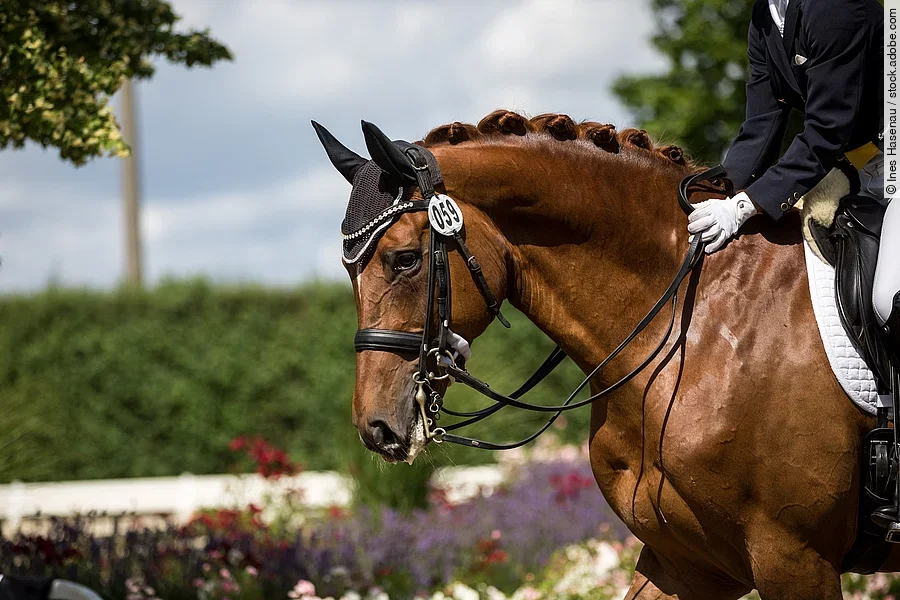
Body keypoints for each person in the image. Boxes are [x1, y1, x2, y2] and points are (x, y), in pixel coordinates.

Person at [686, 0, 898, 336]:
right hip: (859, 171)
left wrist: (743, 207)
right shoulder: (765, 15)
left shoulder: (837, 7)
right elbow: (762, 123)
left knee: (888, 298)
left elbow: (827, 131)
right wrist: (715, 193)